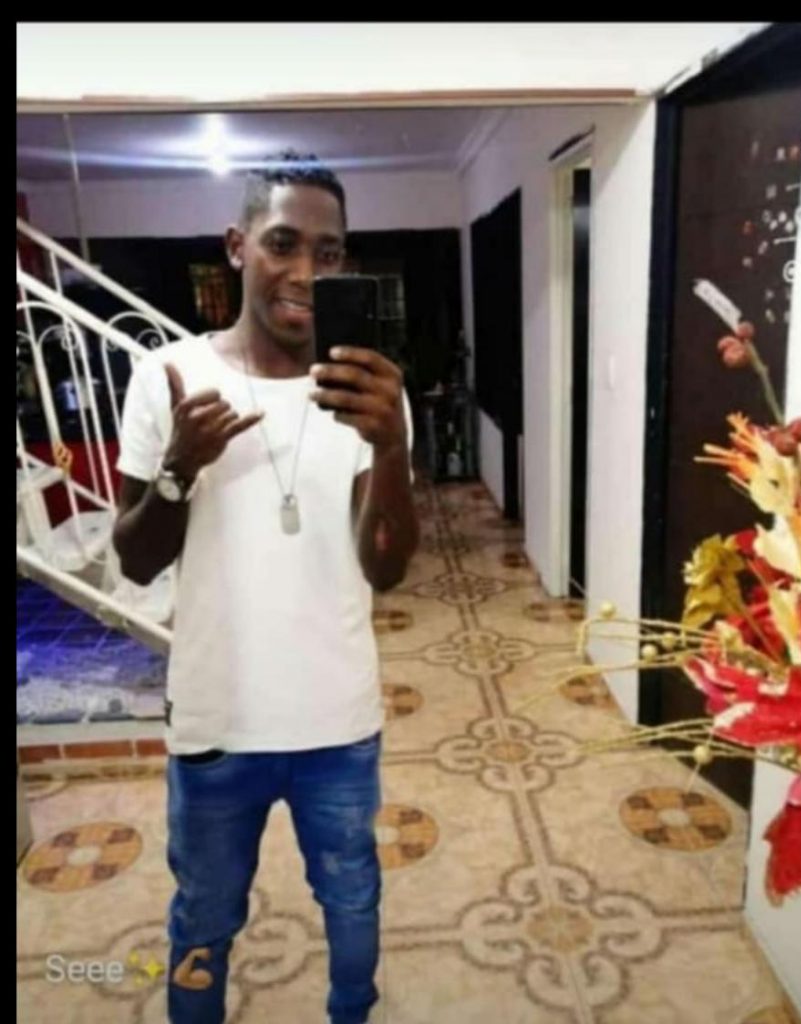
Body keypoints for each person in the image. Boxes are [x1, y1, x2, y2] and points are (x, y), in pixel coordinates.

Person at [112, 151, 419, 1024]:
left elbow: (386, 567)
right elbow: (133, 559)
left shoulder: (369, 393)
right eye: (283, 243)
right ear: (237, 246)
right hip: (218, 721)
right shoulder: (167, 377)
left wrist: (391, 447)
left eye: (329, 252)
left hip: (338, 719)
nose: (305, 272)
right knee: (203, 920)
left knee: (353, 902)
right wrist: (179, 470)